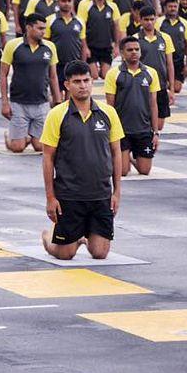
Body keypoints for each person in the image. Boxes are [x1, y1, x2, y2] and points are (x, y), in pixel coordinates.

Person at [40, 60, 124, 260]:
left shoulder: (108, 113)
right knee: (64, 254)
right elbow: (48, 157)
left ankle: (83, 237)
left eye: (86, 80)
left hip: (100, 195)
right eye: (77, 81)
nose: (83, 85)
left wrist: (117, 192)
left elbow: (116, 153)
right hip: (69, 195)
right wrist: (50, 198)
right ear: (67, 85)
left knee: (100, 253)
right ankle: (48, 236)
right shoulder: (57, 115)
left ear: (92, 81)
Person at [0, 13, 61, 153]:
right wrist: (5, 103)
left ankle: (29, 136)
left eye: (44, 28)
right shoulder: (13, 45)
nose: (43, 32)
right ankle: (14, 137)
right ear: (28, 27)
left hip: (42, 103)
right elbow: (3, 75)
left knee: (40, 147)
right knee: (17, 148)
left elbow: (53, 76)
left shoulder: (50, 47)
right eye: (40, 28)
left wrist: (58, 101)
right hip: (19, 103)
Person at [105, 37, 160, 176]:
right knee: (123, 172)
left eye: (137, 49)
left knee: (145, 170)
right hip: (122, 130)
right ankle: (123, 158)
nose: (134, 52)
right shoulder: (113, 74)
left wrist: (156, 132)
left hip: (143, 129)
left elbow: (153, 104)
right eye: (130, 50)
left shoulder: (150, 73)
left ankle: (128, 158)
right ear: (122, 53)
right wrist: (110, 132)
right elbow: (109, 107)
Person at [137, 6, 175, 131]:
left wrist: (172, 89)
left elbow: (169, 64)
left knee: (158, 126)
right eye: (146, 19)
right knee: (144, 122)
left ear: (156, 19)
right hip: (142, 86)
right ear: (140, 20)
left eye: (152, 19)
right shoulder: (135, 38)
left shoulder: (165, 38)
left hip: (161, 85)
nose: (149, 22)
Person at [45, 0, 88, 93]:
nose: (67, 3)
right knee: (57, 98)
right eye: (63, 1)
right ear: (58, 2)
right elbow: (45, 44)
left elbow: (83, 44)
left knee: (71, 98)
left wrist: (83, 64)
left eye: (69, 1)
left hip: (73, 63)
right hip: (56, 64)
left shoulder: (80, 21)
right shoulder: (50, 20)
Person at [77, 0, 121, 79]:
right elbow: (82, 27)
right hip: (91, 46)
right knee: (94, 76)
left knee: (105, 75)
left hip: (106, 46)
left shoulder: (112, 6)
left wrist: (117, 45)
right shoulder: (85, 6)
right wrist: (85, 47)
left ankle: (101, 71)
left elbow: (116, 27)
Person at [157, 0, 187, 93]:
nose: (173, 8)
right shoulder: (159, 22)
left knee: (177, 89)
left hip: (178, 60)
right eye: (170, 6)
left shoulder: (184, 22)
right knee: (160, 86)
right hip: (163, 59)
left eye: (175, 6)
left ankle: (169, 83)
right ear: (165, 8)